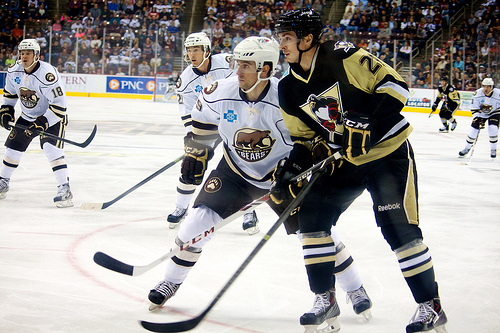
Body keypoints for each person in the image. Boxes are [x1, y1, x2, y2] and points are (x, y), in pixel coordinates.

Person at [147, 37, 372, 320]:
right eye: (237, 64)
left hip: (285, 176)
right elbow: (202, 122)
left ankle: (354, 289)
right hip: (236, 172)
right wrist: (196, 152)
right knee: (197, 221)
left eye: (245, 66)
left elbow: (315, 140)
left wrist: (299, 167)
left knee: (317, 233)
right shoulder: (220, 91)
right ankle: (170, 281)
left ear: (265, 69)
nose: (237, 71)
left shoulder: (287, 98)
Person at [273, 9, 447, 333]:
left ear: (307, 38)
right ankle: (325, 298)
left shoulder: (343, 56)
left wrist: (368, 120)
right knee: (311, 216)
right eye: (279, 37)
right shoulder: (288, 89)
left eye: (286, 37)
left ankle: (430, 305)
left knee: (398, 229)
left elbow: (397, 87)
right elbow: (306, 142)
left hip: (387, 154)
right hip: (346, 161)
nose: (281, 44)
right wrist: (290, 171)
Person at [170, 32, 260, 235]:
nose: (191, 54)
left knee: (245, 165)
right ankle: (181, 207)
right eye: (189, 50)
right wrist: (192, 134)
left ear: (207, 51)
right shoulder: (185, 79)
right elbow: (187, 110)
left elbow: (246, 82)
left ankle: (248, 212)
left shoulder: (227, 63)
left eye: (196, 49)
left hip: (236, 120)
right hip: (208, 123)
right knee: (192, 163)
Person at [0, 39, 73, 207]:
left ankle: (65, 188)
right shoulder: (14, 71)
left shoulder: (48, 74)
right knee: (13, 146)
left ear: (37, 55)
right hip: (28, 115)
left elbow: (60, 106)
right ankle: (3, 182)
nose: (24, 56)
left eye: (28, 53)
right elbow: (10, 96)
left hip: (53, 116)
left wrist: (43, 122)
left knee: (50, 148)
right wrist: (6, 111)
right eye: (22, 53)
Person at [459, 77, 500, 159]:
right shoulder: (477, 94)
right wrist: (477, 118)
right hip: (481, 113)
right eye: (485, 86)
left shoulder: (498, 94)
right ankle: (467, 148)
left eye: (488, 87)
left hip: (494, 112)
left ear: (492, 87)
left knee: (493, 128)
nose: (486, 89)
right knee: (473, 130)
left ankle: (493, 149)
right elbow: (474, 108)